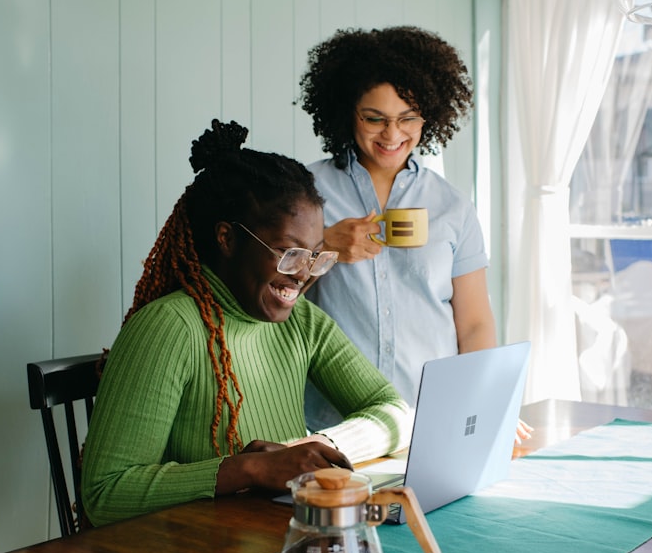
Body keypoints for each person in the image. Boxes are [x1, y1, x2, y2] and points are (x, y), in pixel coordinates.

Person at [81, 120, 412, 526]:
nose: (303, 274)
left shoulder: (302, 321)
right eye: (289, 254)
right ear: (227, 239)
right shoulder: (170, 328)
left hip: (274, 538)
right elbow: (104, 493)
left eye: (316, 256)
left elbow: (395, 412)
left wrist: (315, 445)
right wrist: (249, 469)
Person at [299, 26, 531, 442]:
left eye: (408, 118)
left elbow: (474, 323)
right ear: (347, 110)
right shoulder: (303, 193)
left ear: (430, 116)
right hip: (333, 427)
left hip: (432, 420)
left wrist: (485, 404)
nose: (392, 135)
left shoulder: (452, 206)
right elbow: (262, 299)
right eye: (375, 119)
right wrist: (324, 247)